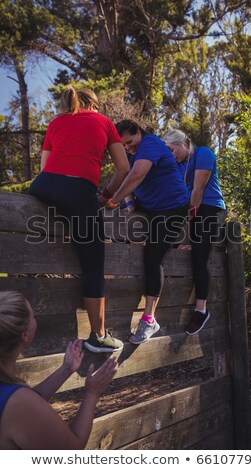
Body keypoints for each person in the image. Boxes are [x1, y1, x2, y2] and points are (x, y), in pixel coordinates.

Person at [28, 86, 130, 353]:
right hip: (78, 191)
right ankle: (98, 336)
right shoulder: (105, 122)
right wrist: (105, 196)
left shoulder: (56, 122)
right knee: (94, 264)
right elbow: (124, 168)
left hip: (43, 187)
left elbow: (44, 168)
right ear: (94, 105)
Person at [0, 291, 118, 449]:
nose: (34, 320)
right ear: (25, 334)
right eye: (32, 316)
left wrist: (66, 369)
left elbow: (27, 401)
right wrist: (92, 393)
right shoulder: (18, 402)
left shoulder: (15, 399)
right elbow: (72, 449)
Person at [110, 120, 190, 344]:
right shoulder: (129, 152)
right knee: (120, 233)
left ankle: (149, 319)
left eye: (130, 141)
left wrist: (113, 200)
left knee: (153, 256)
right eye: (124, 145)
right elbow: (124, 177)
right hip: (151, 208)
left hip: (173, 208)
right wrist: (128, 203)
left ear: (138, 132)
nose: (128, 147)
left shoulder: (151, 143)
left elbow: (136, 176)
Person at [163, 130, 226, 335]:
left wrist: (186, 219)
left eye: (173, 150)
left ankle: (201, 310)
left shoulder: (203, 154)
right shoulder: (178, 165)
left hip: (208, 207)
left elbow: (198, 190)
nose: (172, 155)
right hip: (189, 208)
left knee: (199, 255)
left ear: (184, 143)